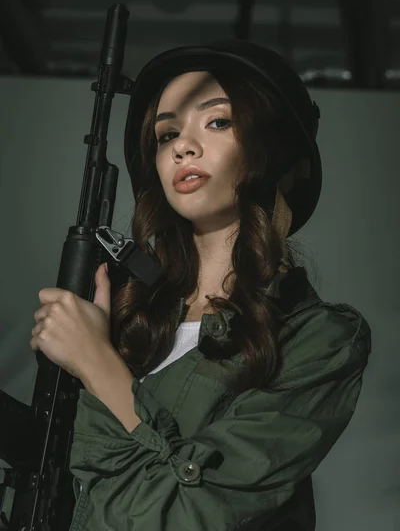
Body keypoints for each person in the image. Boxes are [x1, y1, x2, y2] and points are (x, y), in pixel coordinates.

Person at [30, 40, 372, 531]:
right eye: (167, 134)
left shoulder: (320, 341)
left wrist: (96, 364)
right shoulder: (125, 308)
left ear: (278, 155)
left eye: (218, 122)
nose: (183, 147)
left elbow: (192, 512)